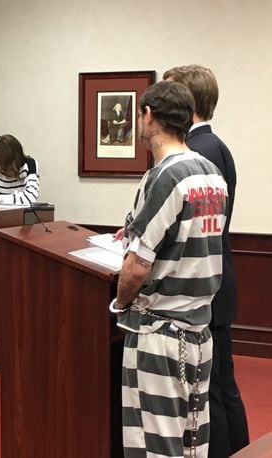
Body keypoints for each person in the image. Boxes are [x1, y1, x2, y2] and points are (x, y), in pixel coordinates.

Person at [110, 80, 228, 457]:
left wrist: (120, 302)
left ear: (149, 116)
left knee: (154, 443)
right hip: (198, 330)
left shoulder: (165, 176)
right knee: (192, 441)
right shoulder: (210, 172)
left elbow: (137, 266)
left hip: (160, 333)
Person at [164, 64, 248, 457]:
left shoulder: (198, 152)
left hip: (204, 287)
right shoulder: (216, 146)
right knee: (222, 386)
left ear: (186, 102)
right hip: (220, 279)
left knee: (213, 391)